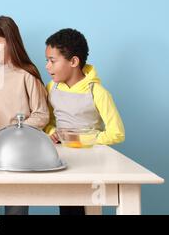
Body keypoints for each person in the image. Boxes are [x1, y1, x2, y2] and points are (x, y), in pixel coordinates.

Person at [0, 16, 50, 215]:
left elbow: (41, 115)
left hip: (18, 156)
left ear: (10, 41)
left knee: (16, 209)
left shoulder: (27, 76)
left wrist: (10, 133)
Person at [44, 28, 125, 215]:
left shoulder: (97, 92)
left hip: (92, 161)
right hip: (62, 159)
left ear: (73, 61)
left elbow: (117, 132)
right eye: (46, 61)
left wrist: (82, 140)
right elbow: (47, 122)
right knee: (67, 207)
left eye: (52, 61)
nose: (47, 66)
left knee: (89, 208)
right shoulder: (51, 87)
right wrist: (51, 132)